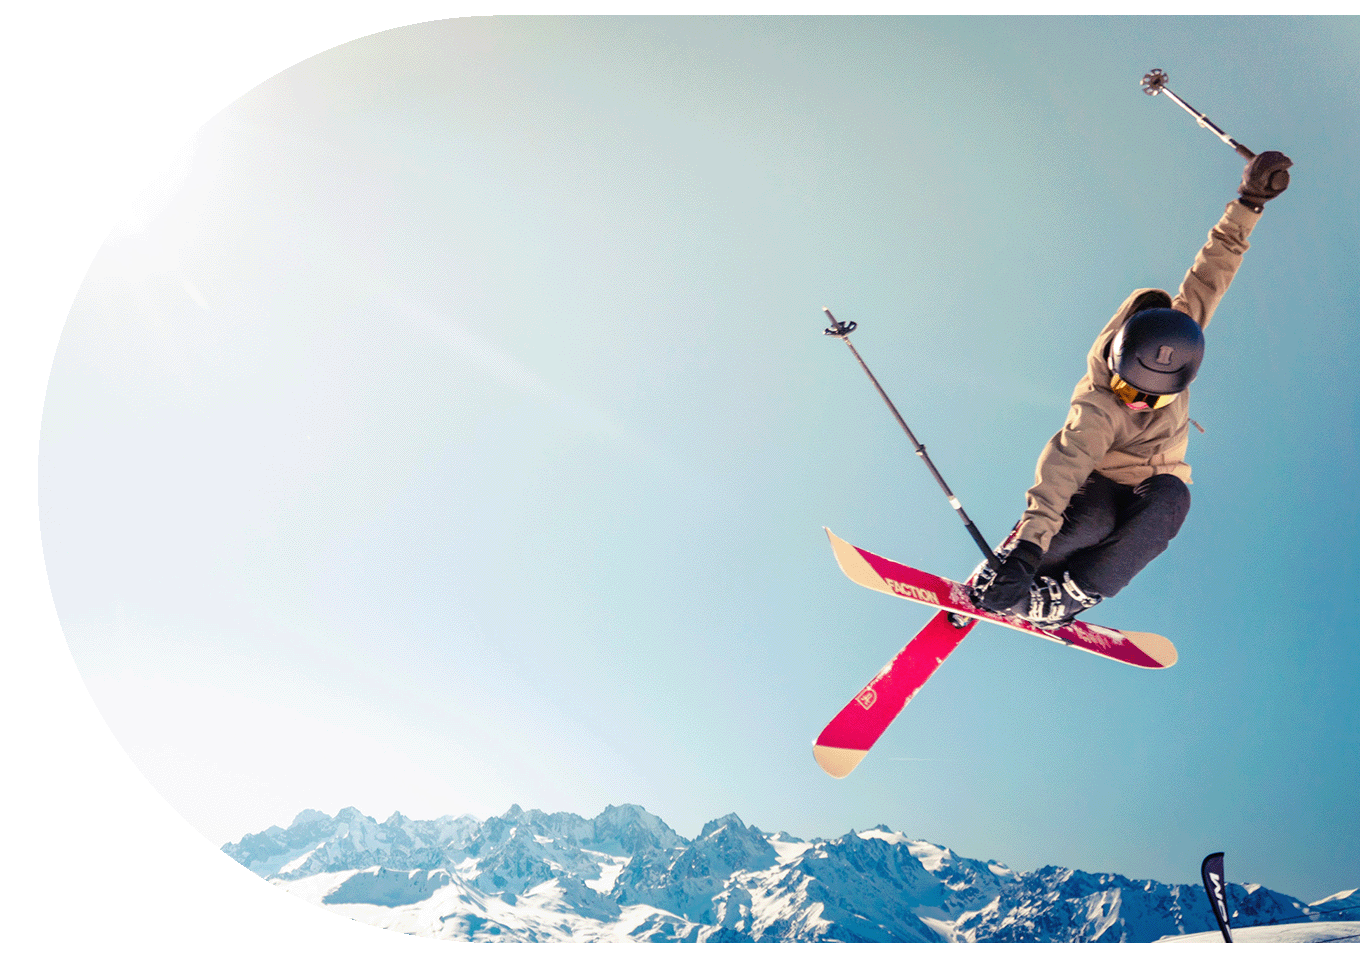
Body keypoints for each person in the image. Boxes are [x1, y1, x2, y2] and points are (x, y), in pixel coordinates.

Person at [971, 150, 1293, 626]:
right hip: (1098, 482)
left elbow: (1212, 271)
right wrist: (1025, 551)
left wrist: (1249, 201)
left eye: (1152, 398)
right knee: (1092, 522)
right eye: (1130, 389)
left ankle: (1069, 596)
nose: (1138, 403)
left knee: (1172, 502)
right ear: (1119, 363)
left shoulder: (1181, 334)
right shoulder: (1099, 403)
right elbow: (1065, 466)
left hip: (1151, 485)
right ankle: (1017, 572)